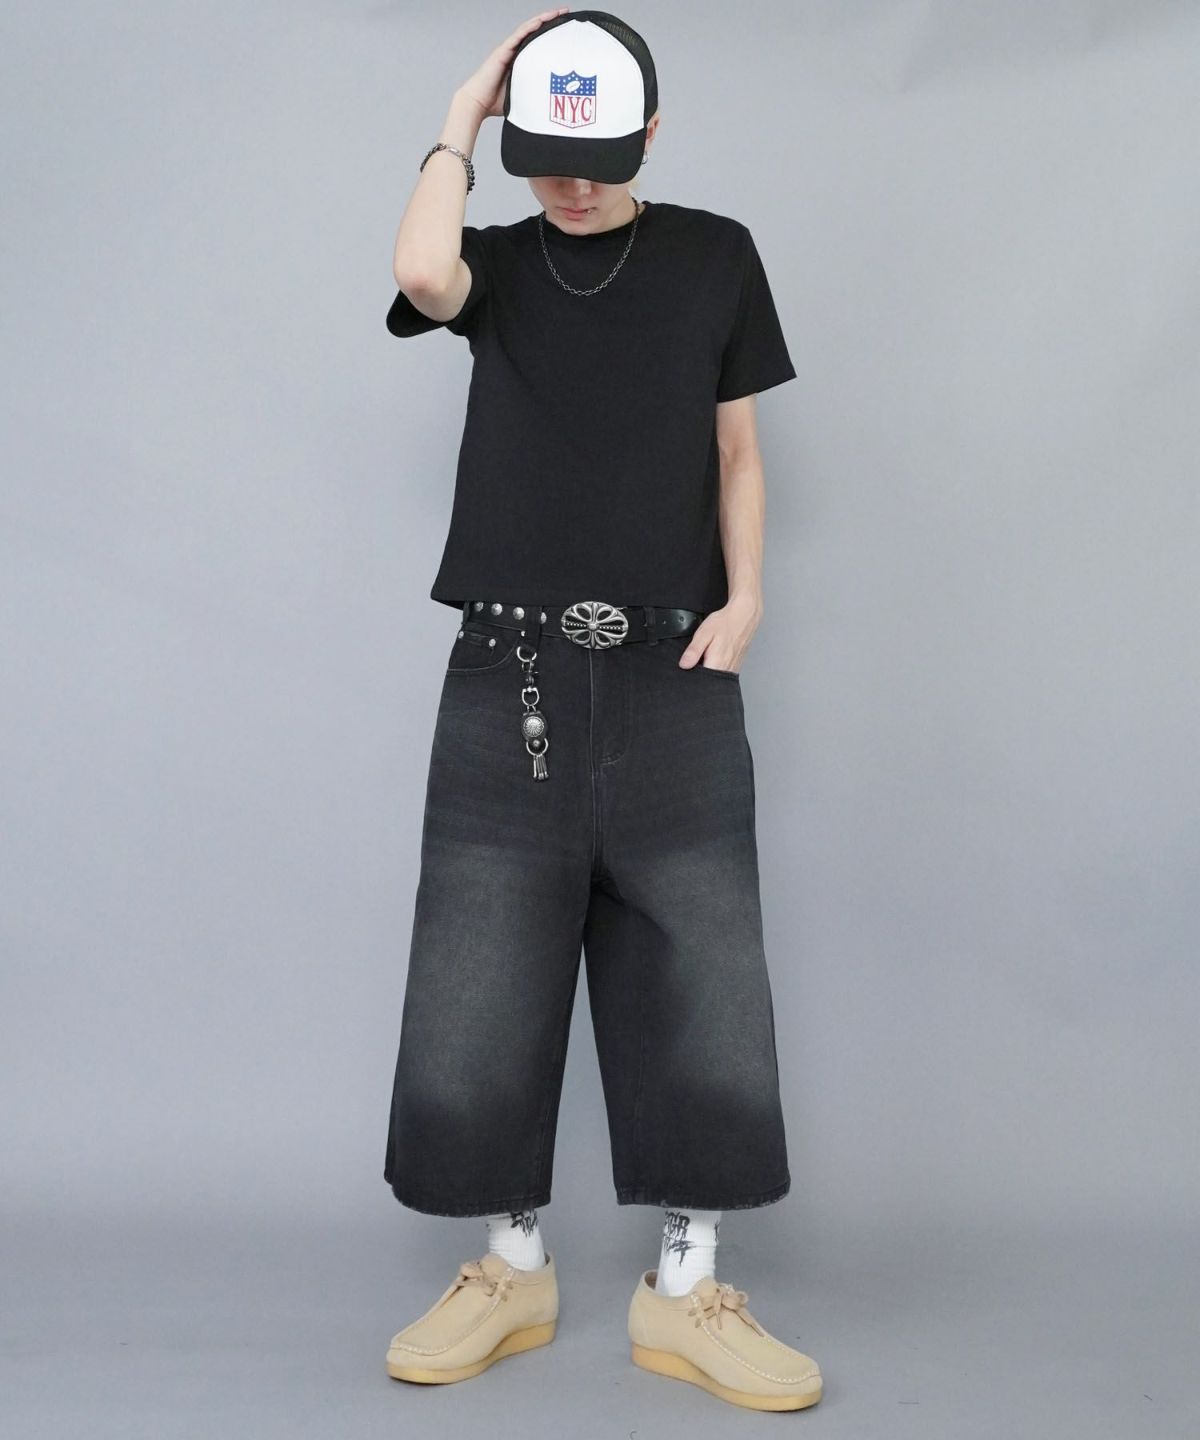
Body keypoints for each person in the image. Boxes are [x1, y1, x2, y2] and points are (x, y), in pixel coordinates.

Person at [379, 8, 822, 1413]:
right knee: (482, 967)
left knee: (702, 973)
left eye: (597, 158)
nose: (569, 185)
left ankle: (687, 1289)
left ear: (651, 136)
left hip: (674, 667)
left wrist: (746, 599)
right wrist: (463, 115)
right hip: (505, 667)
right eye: (545, 157)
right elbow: (418, 270)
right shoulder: (497, 268)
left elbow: (737, 449)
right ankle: (510, 1268)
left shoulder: (715, 255)